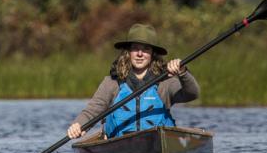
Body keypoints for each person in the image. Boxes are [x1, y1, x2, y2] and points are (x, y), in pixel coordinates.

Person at [67, 23, 199, 140]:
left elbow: (192, 93)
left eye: (146, 49)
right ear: (128, 52)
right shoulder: (112, 83)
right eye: (135, 48)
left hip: (157, 144)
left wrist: (183, 72)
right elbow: (92, 110)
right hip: (119, 147)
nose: (140, 54)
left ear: (152, 53)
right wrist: (78, 125)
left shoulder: (165, 83)